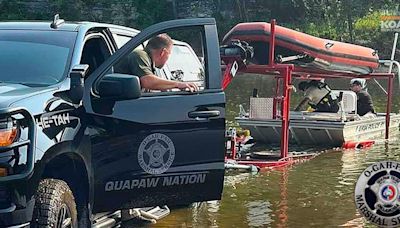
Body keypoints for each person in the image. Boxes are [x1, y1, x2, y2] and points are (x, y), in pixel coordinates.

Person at [116, 33, 198, 92]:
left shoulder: (148, 61)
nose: (168, 58)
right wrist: (178, 84)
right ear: (163, 52)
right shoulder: (140, 55)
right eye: (169, 54)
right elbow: (147, 81)